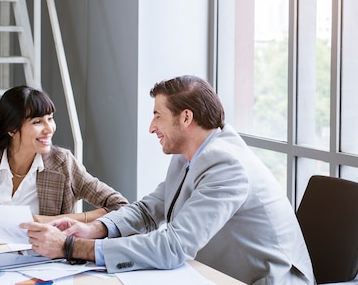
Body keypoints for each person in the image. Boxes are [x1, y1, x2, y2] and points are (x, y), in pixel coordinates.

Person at [22, 75, 315, 285]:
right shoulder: (189, 151)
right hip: (214, 273)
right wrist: (93, 229)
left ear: (185, 118)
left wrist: (70, 247)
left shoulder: (227, 164)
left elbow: (174, 247)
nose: (151, 127)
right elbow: (151, 209)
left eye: (157, 116)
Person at [0, 85, 128, 238]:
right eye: (37, 122)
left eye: (50, 118)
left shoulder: (63, 163)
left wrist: (53, 221)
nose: (49, 129)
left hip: (38, 266)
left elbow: (120, 207)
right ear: (12, 129)